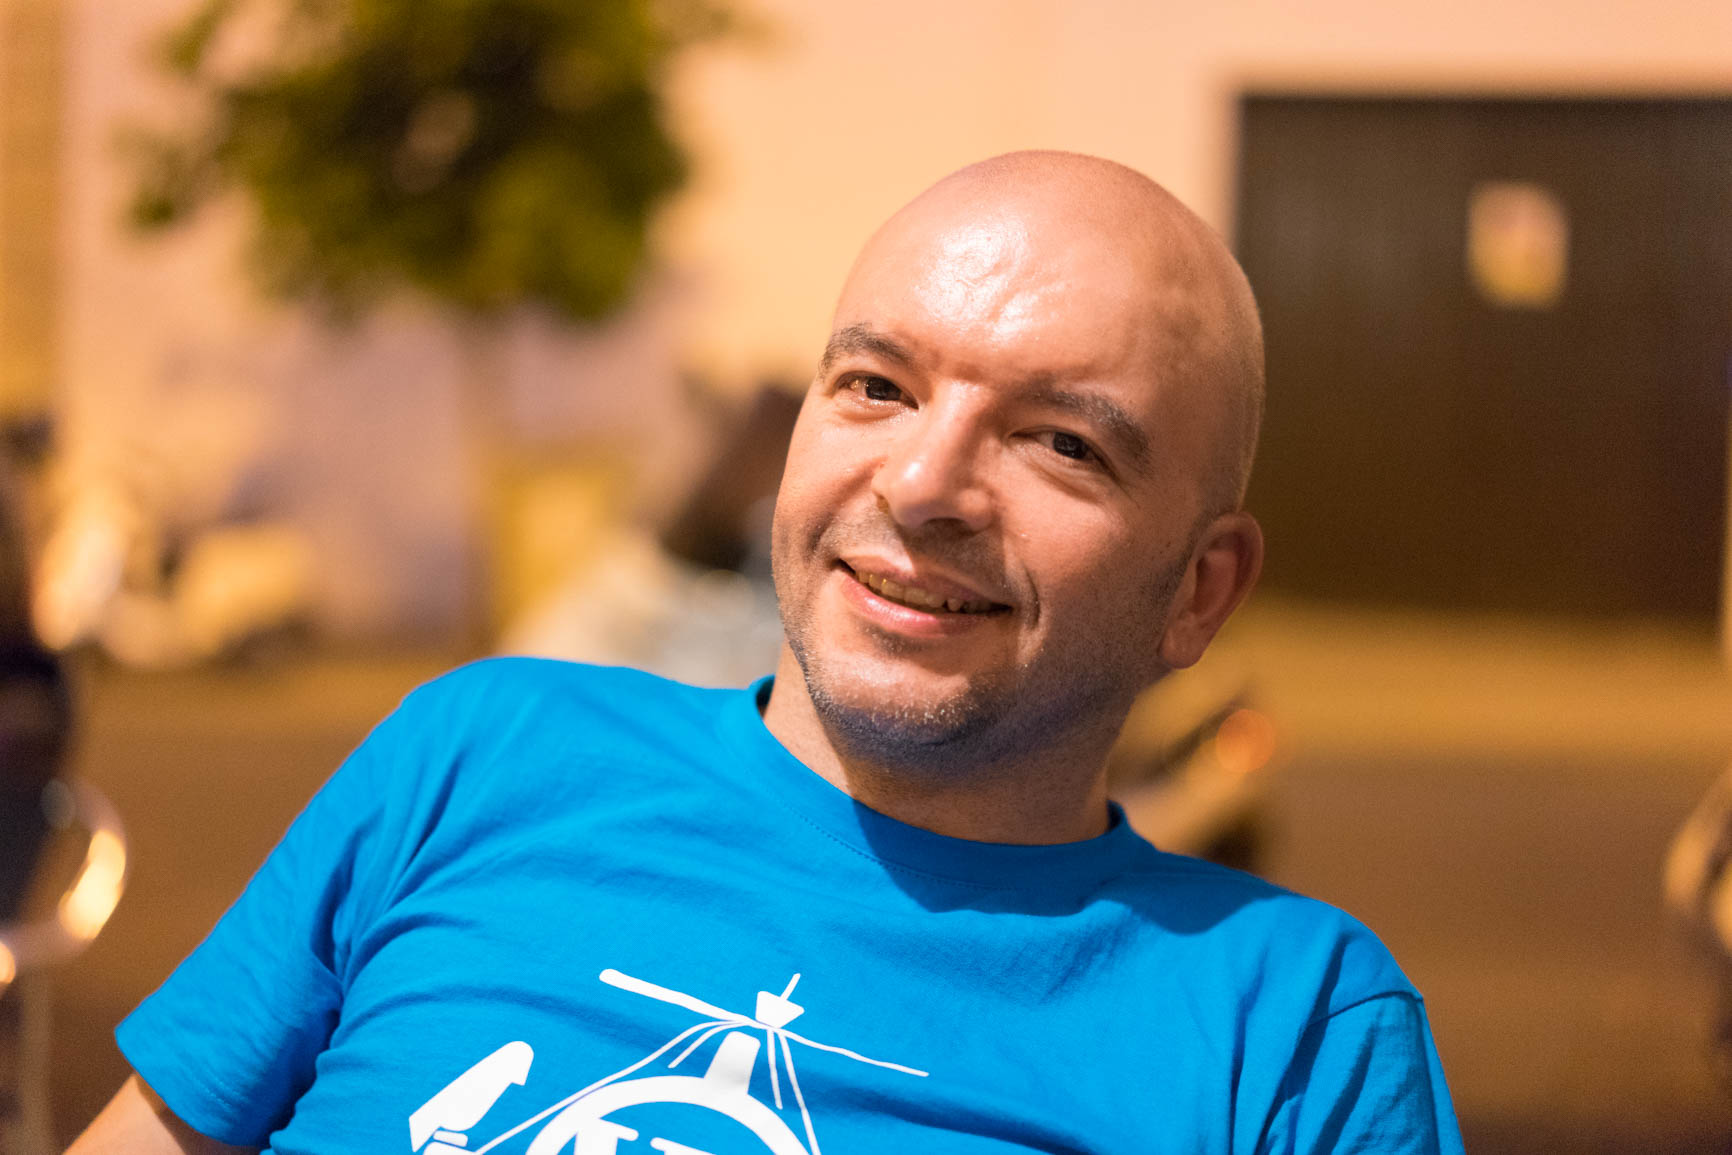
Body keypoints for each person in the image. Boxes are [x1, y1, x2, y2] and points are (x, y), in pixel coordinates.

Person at [72, 152, 1463, 1154]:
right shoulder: (478, 756)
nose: (922, 484)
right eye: (877, 385)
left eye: (1061, 442)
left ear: (1200, 592)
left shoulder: (1295, 1032)